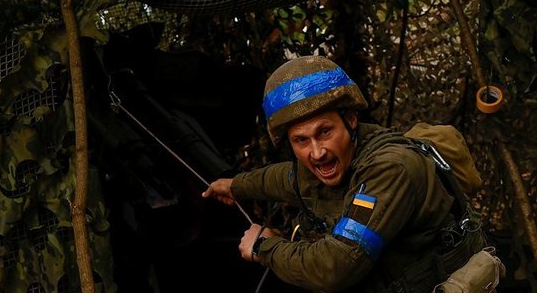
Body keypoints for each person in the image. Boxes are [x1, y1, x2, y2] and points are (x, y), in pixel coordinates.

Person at [202, 55, 485, 292]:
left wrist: (264, 247)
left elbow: (335, 267)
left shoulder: (390, 169)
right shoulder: (332, 160)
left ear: (350, 120)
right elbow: (284, 179)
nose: (316, 152)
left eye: (324, 132)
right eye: (301, 140)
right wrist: (234, 186)